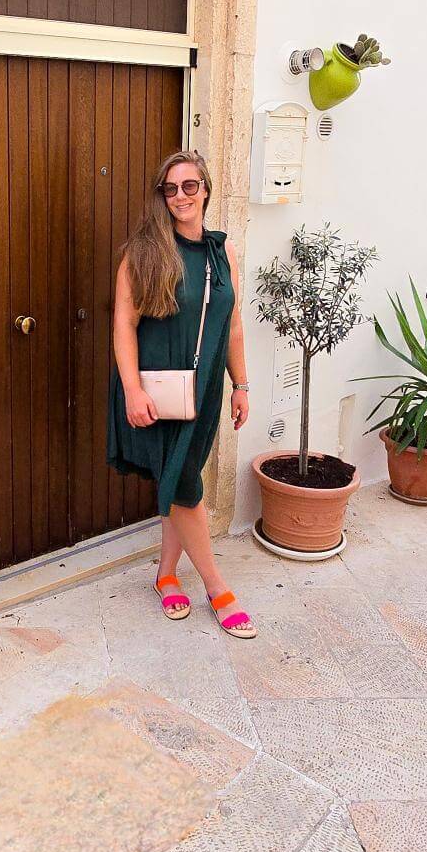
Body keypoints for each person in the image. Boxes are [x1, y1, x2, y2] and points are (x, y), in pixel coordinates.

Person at [107, 148, 256, 637]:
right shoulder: (143, 251)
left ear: (206, 190)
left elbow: (232, 323)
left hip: (205, 386)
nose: (180, 197)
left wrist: (242, 384)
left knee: (178, 479)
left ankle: (166, 575)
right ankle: (217, 587)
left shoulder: (222, 250)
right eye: (170, 189)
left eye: (189, 186)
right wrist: (131, 389)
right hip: (157, 387)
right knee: (186, 486)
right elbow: (124, 325)